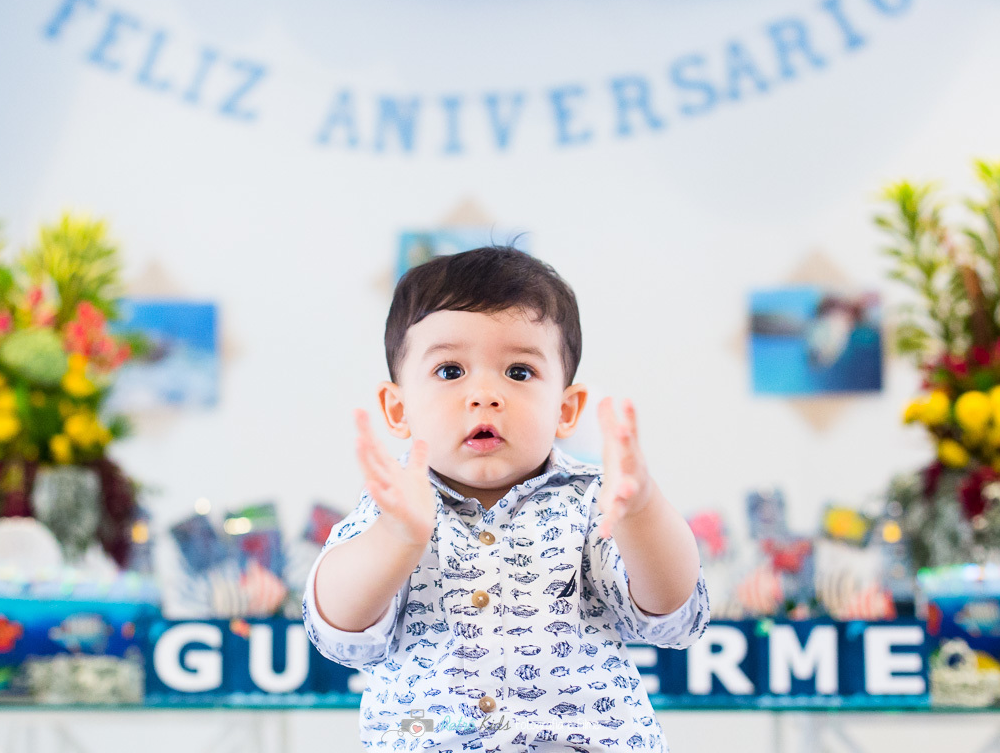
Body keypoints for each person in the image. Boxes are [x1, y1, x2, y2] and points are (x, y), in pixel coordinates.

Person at [303, 245, 709, 752]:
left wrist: (644, 509)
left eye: (519, 372)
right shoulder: (394, 509)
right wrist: (395, 539)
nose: (485, 395)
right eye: (450, 371)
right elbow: (339, 631)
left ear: (566, 409)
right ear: (398, 408)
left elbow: (670, 613)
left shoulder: (592, 501)